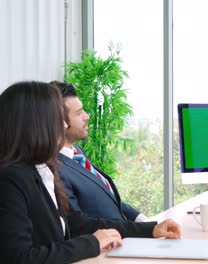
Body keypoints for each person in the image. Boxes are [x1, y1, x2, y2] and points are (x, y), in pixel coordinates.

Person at [0, 81, 182, 263]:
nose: (64, 126)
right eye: (56, 119)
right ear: (35, 125)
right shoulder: (10, 180)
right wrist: (92, 242)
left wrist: (149, 230)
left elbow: (76, 223)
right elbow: (19, 258)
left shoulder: (41, 170)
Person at [49, 81, 147, 222]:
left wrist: (143, 220)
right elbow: (78, 224)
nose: (87, 116)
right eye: (79, 113)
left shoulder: (77, 153)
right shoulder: (55, 169)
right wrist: (144, 230)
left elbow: (107, 201)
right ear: (59, 121)